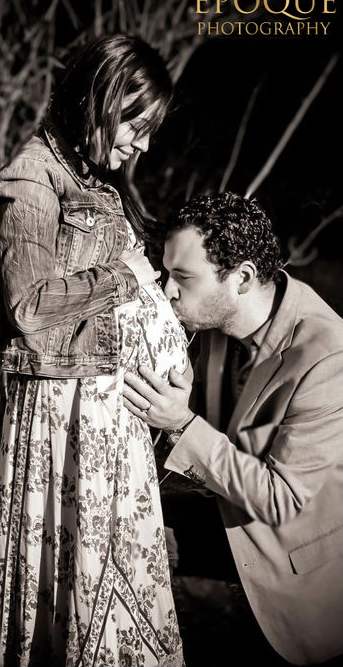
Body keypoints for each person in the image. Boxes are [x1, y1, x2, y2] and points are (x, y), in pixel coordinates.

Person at [0, 34, 188, 667]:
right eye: (137, 126)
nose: (143, 146)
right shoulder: (32, 178)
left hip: (106, 423)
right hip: (63, 420)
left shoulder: (92, 178)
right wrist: (123, 276)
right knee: (72, 588)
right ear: (101, 100)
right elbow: (28, 307)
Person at [123, 192, 343, 666]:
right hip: (224, 518)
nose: (168, 292)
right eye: (166, 273)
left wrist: (181, 423)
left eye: (183, 277)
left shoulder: (329, 356)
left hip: (299, 579)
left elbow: (281, 500)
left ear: (241, 278)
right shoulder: (213, 321)